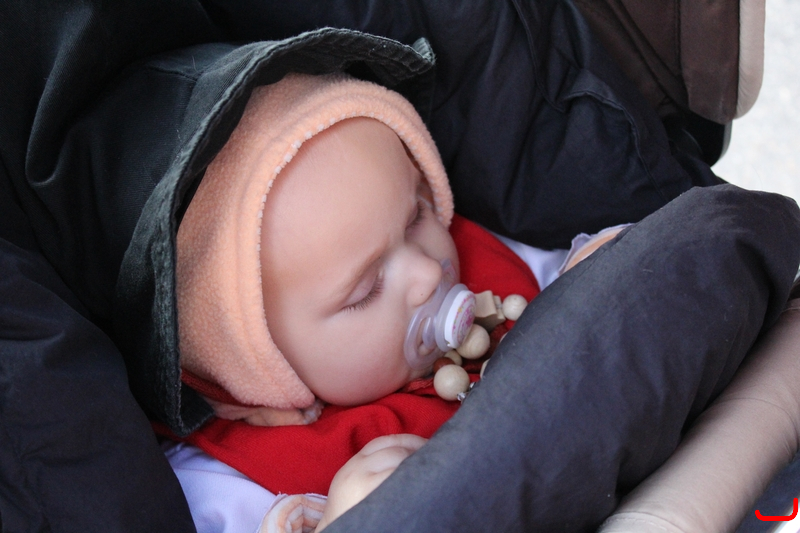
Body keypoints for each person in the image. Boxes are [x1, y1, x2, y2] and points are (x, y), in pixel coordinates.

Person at [2, 2, 799, 531]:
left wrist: (598, 257)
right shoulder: (227, 475)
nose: (423, 273)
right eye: (362, 290)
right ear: (258, 379)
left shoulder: (483, 269)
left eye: (418, 210)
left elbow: (596, 272)